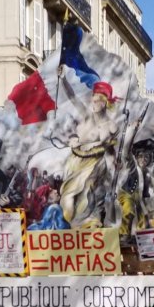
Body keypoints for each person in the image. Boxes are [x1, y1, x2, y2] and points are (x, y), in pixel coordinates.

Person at [59, 80, 120, 228]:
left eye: (97, 101)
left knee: (87, 192)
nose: (93, 103)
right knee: (67, 196)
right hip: (76, 161)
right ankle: (70, 225)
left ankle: (86, 224)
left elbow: (110, 150)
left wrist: (114, 164)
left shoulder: (111, 126)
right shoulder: (87, 116)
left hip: (95, 164)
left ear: (104, 103)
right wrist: (63, 80)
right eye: (92, 100)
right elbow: (73, 98)